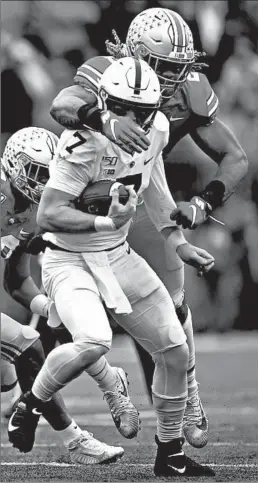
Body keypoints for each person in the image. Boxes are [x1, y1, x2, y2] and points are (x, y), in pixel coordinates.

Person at [49, 7, 248, 449]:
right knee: (58, 317)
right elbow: (62, 103)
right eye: (168, 66)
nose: (176, 77)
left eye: (182, 67)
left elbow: (235, 158)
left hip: (138, 199)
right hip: (83, 197)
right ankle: (41, 400)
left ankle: (186, 397)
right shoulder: (107, 74)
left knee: (169, 306)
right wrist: (103, 118)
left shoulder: (187, 92)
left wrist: (203, 202)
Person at [15, 58, 215, 477]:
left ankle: (170, 452)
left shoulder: (158, 129)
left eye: (142, 111)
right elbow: (50, 214)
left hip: (117, 254)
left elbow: (154, 178)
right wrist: (107, 220)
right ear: (107, 103)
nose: (134, 120)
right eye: (123, 109)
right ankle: (31, 402)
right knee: (93, 340)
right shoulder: (82, 142)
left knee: (176, 350)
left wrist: (176, 241)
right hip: (68, 258)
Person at [1, 127, 124, 464]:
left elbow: (16, 280)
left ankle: (111, 384)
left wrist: (48, 307)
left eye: (50, 172)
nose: (44, 181)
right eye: (38, 172)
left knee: (55, 326)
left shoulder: (32, 211)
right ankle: (75, 441)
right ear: (15, 165)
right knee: (27, 344)